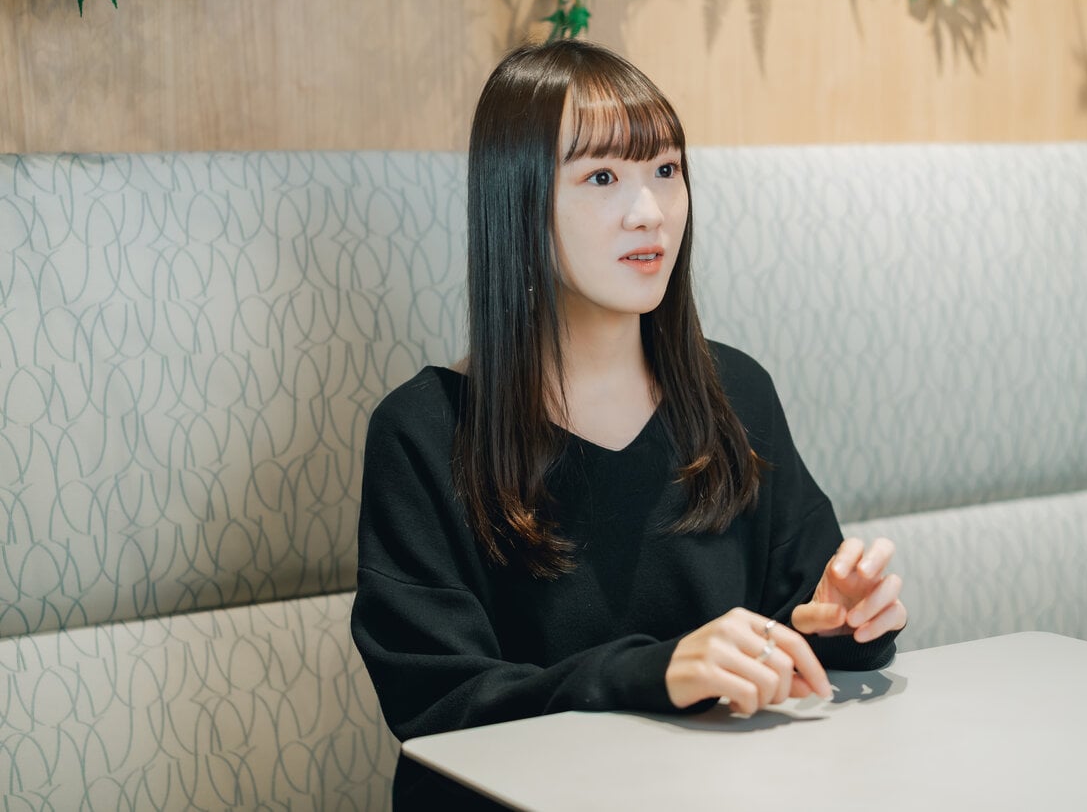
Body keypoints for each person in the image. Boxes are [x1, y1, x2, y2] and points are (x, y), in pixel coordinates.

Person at [351, 39, 908, 806]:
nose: (650, 213)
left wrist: (841, 627)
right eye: (603, 177)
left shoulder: (735, 394)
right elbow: (441, 703)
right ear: (518, 200)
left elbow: (799, 618)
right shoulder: (424, 432)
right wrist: (653, 671)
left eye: (667, 171)